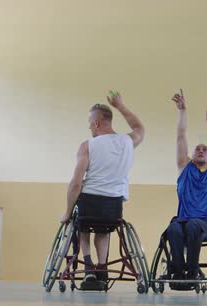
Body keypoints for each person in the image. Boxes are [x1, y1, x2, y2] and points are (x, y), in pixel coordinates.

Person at [60, 91, 145, 284]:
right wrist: (120, 106)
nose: (89, 126)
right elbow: (139, 127)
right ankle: (102, 267)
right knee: (103, 229)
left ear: (96, 123)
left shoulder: (87, 145)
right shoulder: (127, 142)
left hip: (88, 202)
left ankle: (88, 266)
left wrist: (66, 211)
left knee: (80, 222)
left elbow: (76, 183)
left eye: (90, 123)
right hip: (113, 208)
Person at [166, 89, 207, 286]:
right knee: (173, 229)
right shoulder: (184, 167)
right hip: (183, 220)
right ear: (192, 155)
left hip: (205, 223)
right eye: (197, 148)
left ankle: (193, 273)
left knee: (194, 224)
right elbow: (180, 135)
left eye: (205, 149)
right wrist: (182, 111)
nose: (201, 150)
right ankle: (178, 275)